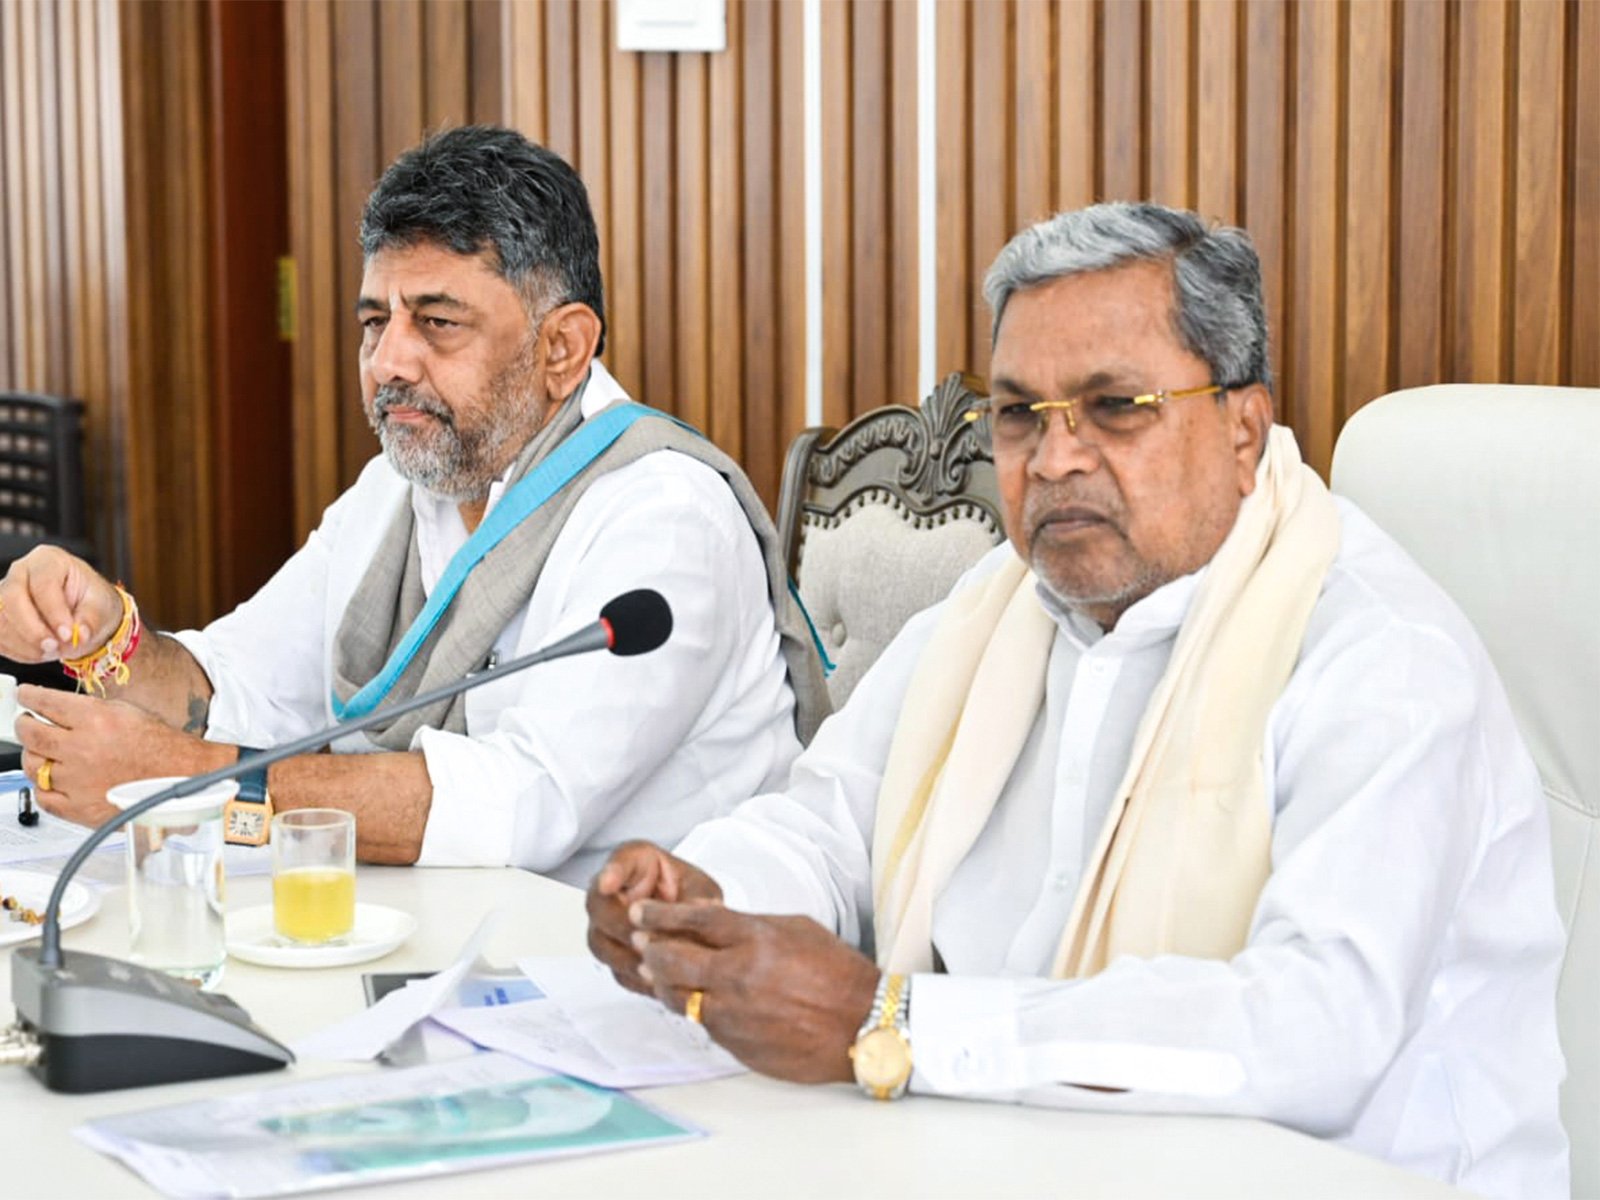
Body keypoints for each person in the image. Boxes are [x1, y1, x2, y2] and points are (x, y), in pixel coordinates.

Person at [586, 202, 1567, 1197]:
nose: (1053, 460)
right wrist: (703, 897)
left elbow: (1313, 1032)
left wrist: (892, 1024)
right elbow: (829, 823)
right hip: (994, 1158)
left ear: (1242, 426)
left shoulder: (1378, 657)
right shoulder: (992, 611)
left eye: (1114, 407)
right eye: (1019, 414)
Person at [0, 125, 827, 884]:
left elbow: (519, 805)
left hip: (632, 973)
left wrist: (191, 781)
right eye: (375, 321)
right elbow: (240, 684)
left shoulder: (663, 516)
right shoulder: (401, 490)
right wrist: (110, 634)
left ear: (562, 348)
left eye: (437, 321)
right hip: (455, 938)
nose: (388, 360)